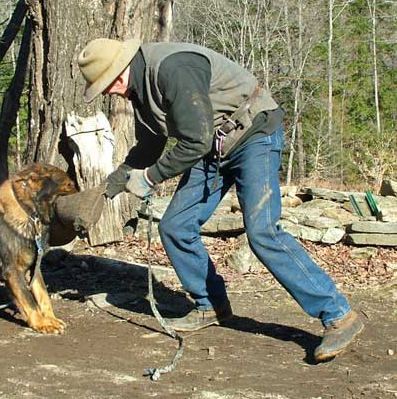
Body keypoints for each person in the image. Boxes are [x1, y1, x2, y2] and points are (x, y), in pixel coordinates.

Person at [77, 38, 363, 362]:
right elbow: (152, 142)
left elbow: (194, 142)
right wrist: (115, 182)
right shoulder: (139, 89)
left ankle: (338, 315)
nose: (108, 93)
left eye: (106, 85)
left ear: (119, 73)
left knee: (262, 232)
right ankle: (210, 304)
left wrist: (149, 177)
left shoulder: (174, 68)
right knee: (174, 226)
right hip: (213, 148)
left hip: (253, 134)